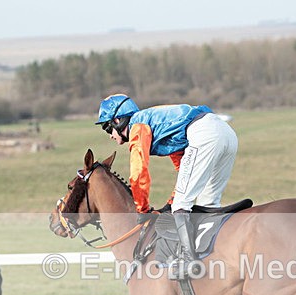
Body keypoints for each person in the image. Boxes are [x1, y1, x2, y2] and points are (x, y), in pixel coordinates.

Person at [96, 94, 238, 279]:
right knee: (208, 203)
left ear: (118, 120)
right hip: (226, 133)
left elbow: (138, 172)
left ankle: (189, 261)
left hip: (204, 133)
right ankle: (214, 256)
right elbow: (183, 169)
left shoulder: (138, 126)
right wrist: (170, 203)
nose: (110, 135)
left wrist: (142, 209)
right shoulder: (160, 126)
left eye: (108, 128)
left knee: (182, 205)